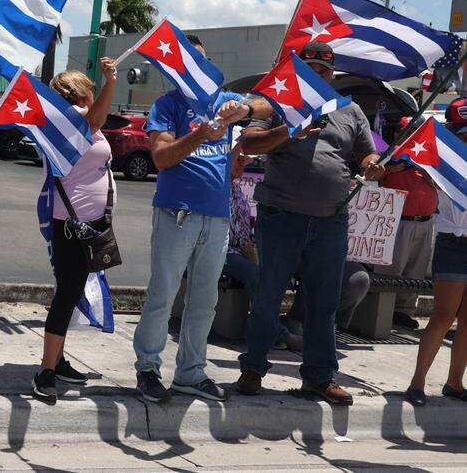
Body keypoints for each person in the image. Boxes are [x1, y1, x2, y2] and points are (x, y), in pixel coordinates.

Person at [236, 41, 385, 405]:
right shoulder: (275, 102)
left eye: (325, 71)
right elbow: (249, 143)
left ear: (332, 75)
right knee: (268, 296)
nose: (319, 76)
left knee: (324, 303)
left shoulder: (349, 110)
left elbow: (367, 150)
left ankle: (319, 377)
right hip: (281, 216)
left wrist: (370, 164)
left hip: (331, 220)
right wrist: (290, 132)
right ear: (300, 71)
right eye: (312, 69)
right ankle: (253, 368)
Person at [132, 34, 255, 404]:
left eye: (200, 61)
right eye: (187, 63)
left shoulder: (226, 103)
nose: (195, 69)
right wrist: (202, 132)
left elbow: (265, 107)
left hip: (217, 216)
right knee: (163, 294)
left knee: (205, 299)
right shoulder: (167, 105)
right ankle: (148, 369)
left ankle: (191, 372)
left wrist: (244, 116)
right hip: (177, 212)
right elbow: (162, 157)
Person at [31, 62, 117, 404]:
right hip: (70, 223)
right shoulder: (66, 123)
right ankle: (46, 371)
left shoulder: (81, 119)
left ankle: (59, 360)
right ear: (82, 93)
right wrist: (111, 80)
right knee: (67, 293)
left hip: (88, 223)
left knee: (72, 290)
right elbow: (93, 121)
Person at [404, 119, 467, 405]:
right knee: (443, 316)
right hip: (453, 242)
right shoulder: (444, 166)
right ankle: (417, 382)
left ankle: (455, 382)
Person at [223, 150, 302, 352]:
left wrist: (251, 245)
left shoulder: (236, 187)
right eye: (238, 161)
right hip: (222, 250)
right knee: (255, 274)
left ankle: (276, 326)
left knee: (275, 270)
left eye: (244, 161)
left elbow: (243, 225)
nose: (243, 165)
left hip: (239, 249)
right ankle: (278, 333)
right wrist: (247, 247)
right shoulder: (220, 186)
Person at [376, 113, 441, 330]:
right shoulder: (388, 155)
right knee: (392, 268)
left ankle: (404, 311)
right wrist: (396, 165)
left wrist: (423, 167)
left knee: (416, 270)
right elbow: (375, 175)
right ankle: (382, 309)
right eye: (408, 132)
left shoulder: (431, 158)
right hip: (397, 220)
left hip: (425, 220)